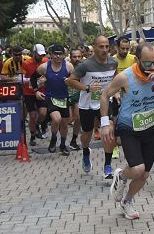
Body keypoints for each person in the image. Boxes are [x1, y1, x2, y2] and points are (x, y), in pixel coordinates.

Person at [100, 42, 154, 220]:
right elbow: (105, 95)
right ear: (137, 59)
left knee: (144, 174)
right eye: (147, 63)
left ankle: (127, 201)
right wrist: (105, 123)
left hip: (151, 127)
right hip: (128, 127)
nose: (152, 66)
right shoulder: (125, 77)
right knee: (137, 169)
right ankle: (122, 175)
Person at [66, 36, 118, 178]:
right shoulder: (85, 65)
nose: (104, 50)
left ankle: (107, 166)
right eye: (101, 46)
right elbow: (70, 81)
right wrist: (87, 87)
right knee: (87, 134)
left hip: (105, 103)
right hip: (87, 105)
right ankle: (85, 151)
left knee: (109, 130)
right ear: (93, 47)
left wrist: (116, 91)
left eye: (107, 46)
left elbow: (115, 78)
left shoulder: (113, 62)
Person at [33, 43, 74, 155]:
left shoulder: (69, 66)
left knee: (65, 124)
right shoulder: (45, 66)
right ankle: (54, 138)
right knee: (56, 119)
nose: (57, 57)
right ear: (50, 54)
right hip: (50, 97)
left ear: (64, 55)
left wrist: (70, 81)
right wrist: (36, 91)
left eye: (60, 54)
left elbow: (75, 79)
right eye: (55, 54)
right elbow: (33, 77)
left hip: (64, 98)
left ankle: (62, 145)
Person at [2, 47, 42, 145]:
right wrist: (13, 79)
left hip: (30, 88)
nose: (18, 57)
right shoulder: (8, 63)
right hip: (16, 88)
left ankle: (35, 127)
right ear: (12, 54)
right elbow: (3, 76)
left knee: (38, 112)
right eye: (16, 55)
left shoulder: (27, 59)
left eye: (20, 54)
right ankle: (22, 127)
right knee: (24, 111)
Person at [66, 48, 84, 150]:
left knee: (78, 118)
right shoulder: (66, 67)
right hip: (65, 95)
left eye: (79, 56)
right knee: (66, 120)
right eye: (74, 57)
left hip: (78, 95)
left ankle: (73, 140)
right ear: (70, 57)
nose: (77, 59)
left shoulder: (84, 67)